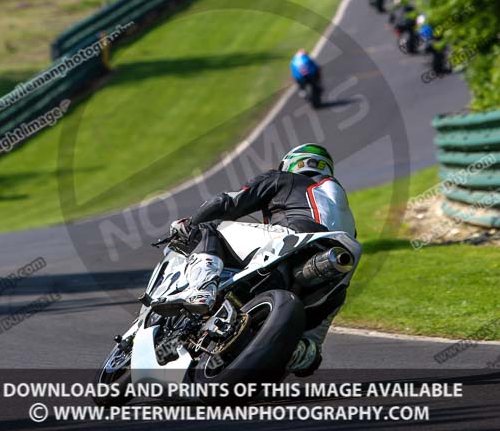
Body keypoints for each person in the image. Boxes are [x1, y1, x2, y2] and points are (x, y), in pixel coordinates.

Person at [151, 143, 358, 376]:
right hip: (332, 277)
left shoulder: (285, 178)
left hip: (291, 239)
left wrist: (190, 224)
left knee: (208, 228)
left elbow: (228, 203)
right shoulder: (344, 211)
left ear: (292, 164)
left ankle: (203, 287)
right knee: (313, 341)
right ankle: (302, 350)